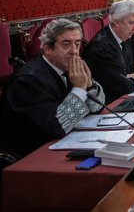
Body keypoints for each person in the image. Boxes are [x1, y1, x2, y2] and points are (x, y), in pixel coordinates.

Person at [0, 19, 105, 159]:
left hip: (60, 143)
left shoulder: (66, 67)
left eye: (78, 44)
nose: (74, 52)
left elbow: (98, 107)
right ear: (47, 49)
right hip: (28, 157)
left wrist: (89, 84)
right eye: (66, 44)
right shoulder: (29, 81)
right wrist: (80, 88)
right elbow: (58, 126)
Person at [84, 0, 134, 104]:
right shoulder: (101, 47)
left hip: (128, 99)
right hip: (110, 106)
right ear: (117, 22)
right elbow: (125, 87)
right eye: (132, 23)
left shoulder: (130, 38)